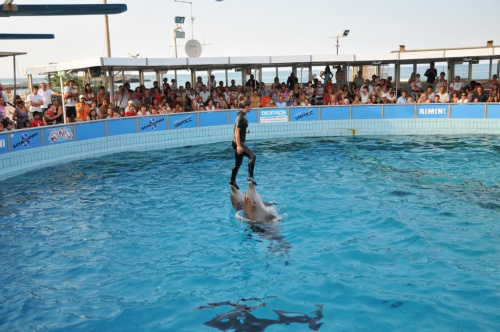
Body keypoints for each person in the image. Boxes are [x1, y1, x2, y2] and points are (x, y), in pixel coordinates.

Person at [230, 100, 256, 189]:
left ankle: (232, 180)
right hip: (238, 143)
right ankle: (250, 177)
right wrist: (239, 146)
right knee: (252, 156)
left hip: (237, 142)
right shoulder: (241, 116)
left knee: (238, 163)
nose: (252, 107)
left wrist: (245, 132)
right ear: (247, 106)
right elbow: (237, 131)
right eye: (251, 106)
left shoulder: (242, 115)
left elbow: (240, 130)